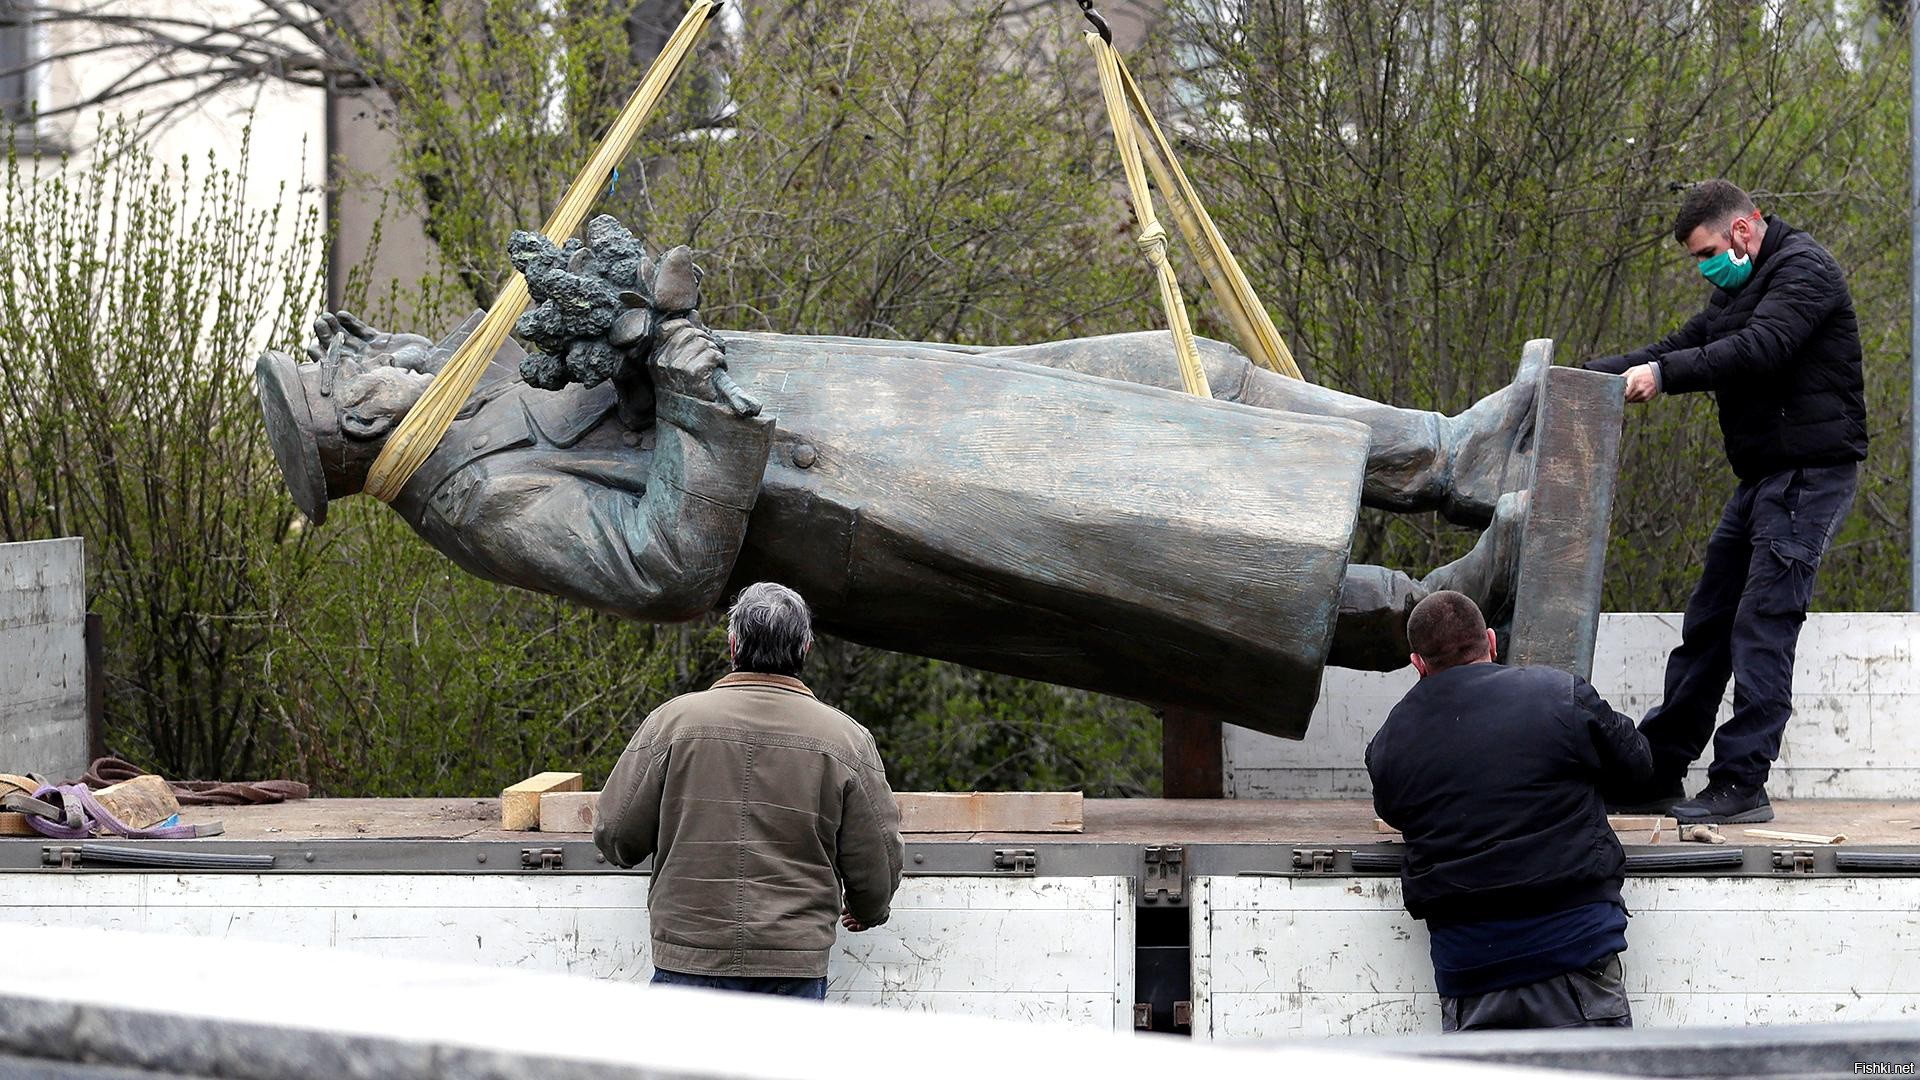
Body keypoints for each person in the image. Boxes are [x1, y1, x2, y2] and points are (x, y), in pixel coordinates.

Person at [256, 216, 1539, 741]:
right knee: (1177, 555)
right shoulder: (473, 496)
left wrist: (633, 302)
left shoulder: (475, 378)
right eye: (355, 375)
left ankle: (1455, 452)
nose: (381, 351)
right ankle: (1438, 609)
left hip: (889, 398)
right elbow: (668, 566)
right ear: (359, 439)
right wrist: (690, 381)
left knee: (1181, 373)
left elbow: (618, 364)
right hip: (872, 508)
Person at [1585, 181, 1866, 824]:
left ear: (1743, 229)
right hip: (1763, 478)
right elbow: (1676, 348)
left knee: (1762, 624)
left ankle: (1742, 782)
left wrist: (1663, 378)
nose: (1704, 266)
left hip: (1809, 475)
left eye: (1707, 250)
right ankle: (1657, 770)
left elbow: (1757, 349)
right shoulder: (1737, 289)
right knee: (1709, 623)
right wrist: (1586, 375)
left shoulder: (1805, 272)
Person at [593, 581, 903, 998]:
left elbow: (616, 836)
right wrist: (869, 909)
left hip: (689, 957)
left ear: (733, 643)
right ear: (805, 650)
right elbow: (876, 858)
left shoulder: (672, 724)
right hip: (792, 964)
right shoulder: (846, 740)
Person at [1367, 591, 1652, 1032]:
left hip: (1470, 972)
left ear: (1417, 664)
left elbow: (1397, 812)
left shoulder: (1390, 743)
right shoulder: (1561, 695)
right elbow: (1638, 765)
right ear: (1492, 642)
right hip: (1576, 951)